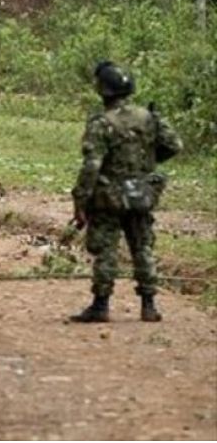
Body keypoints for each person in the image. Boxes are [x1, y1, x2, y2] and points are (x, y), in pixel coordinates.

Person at [69, 61, 182, 323]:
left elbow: (92, 165)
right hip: (142, 191)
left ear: (102, 90)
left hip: (109, 195)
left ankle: (101, 305)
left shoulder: (101, 123)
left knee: (106, 248)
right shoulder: (148, 117)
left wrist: (80, 200)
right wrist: (148, 162)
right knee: (142, 246)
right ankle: (149, 304)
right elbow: (174, 145)